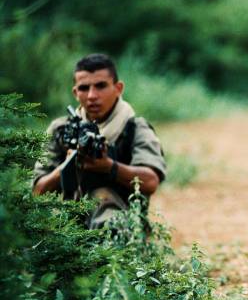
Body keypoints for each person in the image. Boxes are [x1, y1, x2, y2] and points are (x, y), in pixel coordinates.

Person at [33, 54, 166, 229]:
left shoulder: (135, 128)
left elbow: (150, 181)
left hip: (119, 219)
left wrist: (108, 166)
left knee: (108, 216)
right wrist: (67, 166)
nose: (92, 95)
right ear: (75, 92)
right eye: (84, 88)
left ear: (118, 88)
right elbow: (37, 192)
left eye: (101, 86)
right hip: (68, 216)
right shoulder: (61, 128)